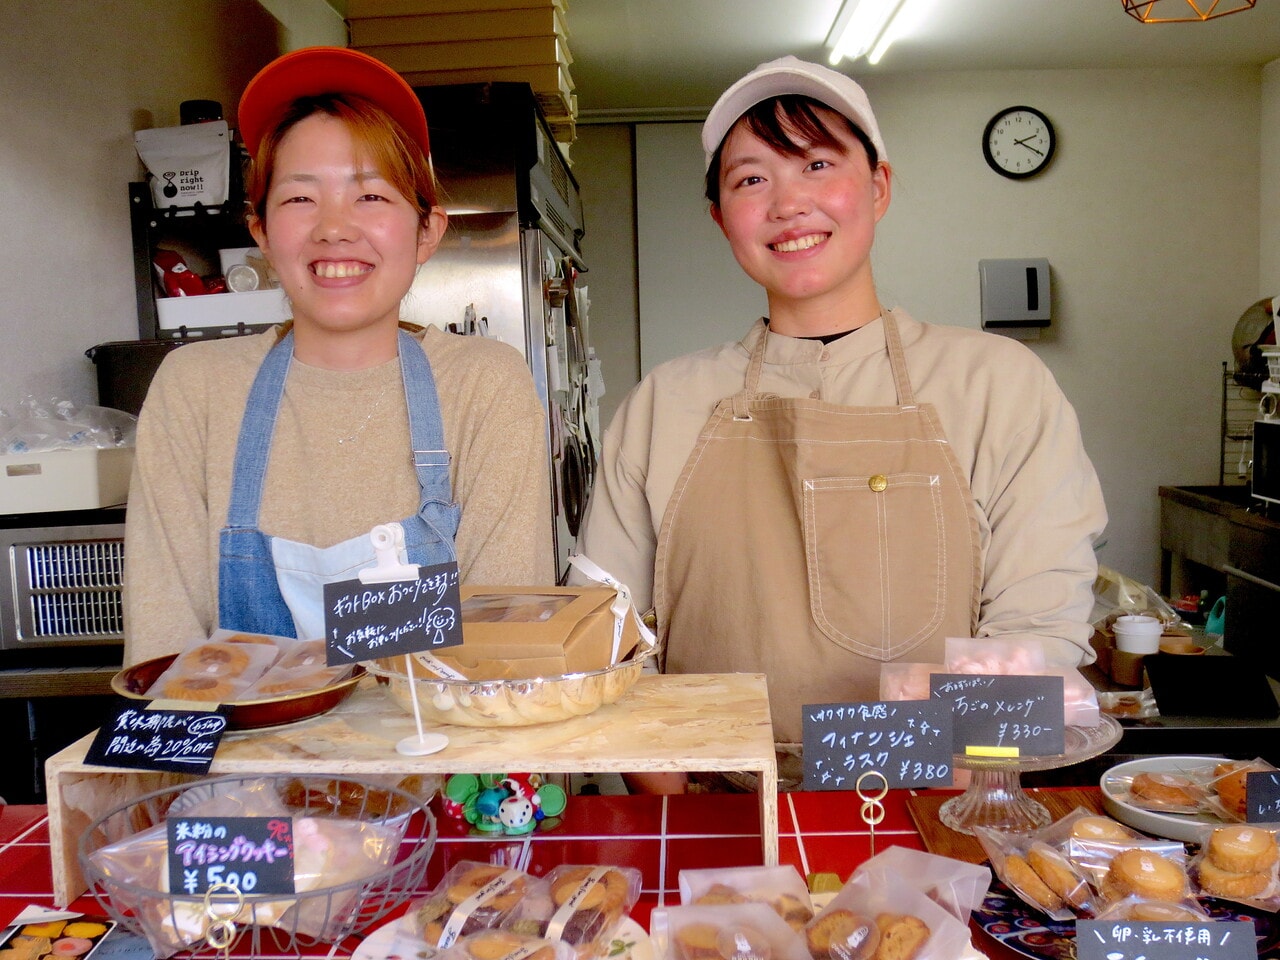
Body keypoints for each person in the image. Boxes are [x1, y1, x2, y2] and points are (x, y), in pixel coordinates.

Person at [576, 56, 1107, 789]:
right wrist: (688, 829)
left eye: (817, 163)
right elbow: (610, 650)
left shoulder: (998, 385)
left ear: (879, 185)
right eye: (751, 179)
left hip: (937, 813)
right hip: (722, 835)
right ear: (719, 218)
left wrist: (932, 817)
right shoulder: (663, 405)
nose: (789, 203)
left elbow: (1038, 637)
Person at [124, 47, 553, 664]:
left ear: (426, 230)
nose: (333, 227)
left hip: (444, 753)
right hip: (245, 758)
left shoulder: (484, 385)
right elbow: (165, 659)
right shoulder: (196, 389)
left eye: (371, 197)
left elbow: (501, 644)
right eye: (300, 199)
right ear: (262, 232)